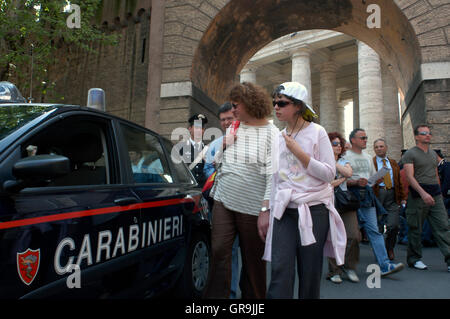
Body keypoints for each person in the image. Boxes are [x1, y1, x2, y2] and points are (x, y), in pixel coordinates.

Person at [262, 82, 346, 299]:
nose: (276, 107)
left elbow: (329, 174)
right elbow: (273, 178)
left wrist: (300, 153)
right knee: (280, 270)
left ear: (298, 106)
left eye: (282, 103)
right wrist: (265, 210)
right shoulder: (277, 136)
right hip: (283, 210)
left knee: (309, 272)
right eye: (274, 103)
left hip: (314, 210)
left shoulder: (317, 132)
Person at [204, 82, 278, 299]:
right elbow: (218, 162)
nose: (232, 109)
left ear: (250, 103)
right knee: (218, 252)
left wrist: (265, 209)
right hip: (222, 200)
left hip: (252, 207)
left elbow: (272, 177)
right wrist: (224, 145)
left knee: (253, 261)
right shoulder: (236, 127)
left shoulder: (272, 133)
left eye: (236, 105)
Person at [344, 128, 405, 276]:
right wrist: (355, 182)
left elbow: (371, 177)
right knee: (351, 234)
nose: (365, 140)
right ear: (353, 140)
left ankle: (385, 265)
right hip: (351, 197)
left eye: (366, 137)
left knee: (374, 231)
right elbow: (341, 179)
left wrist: (375, 179)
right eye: (362, 138)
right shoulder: (345, 156)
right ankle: (344, 266)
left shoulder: (367, 157)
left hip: (367, 197)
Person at [203, 101, 241, 299]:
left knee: (253, 255)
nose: (227, 122)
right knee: (227, 252)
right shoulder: (216, 144)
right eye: (223, 120)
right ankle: (230, 295)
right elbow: (207, 170)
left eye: (230, 119)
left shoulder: (252, 140)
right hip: (224, 204)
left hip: (249, 206)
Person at [402, 125, 450, 272]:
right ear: (417, 137)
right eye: (424, 133)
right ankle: (414, 259)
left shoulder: (432, 154)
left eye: (429, 133)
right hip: (418, 196)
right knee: (416, 228)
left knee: (443, 226)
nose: (427, 136)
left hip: (435, 195)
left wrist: (439, 192)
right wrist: (423, 193)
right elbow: (409, 177)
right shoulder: (410, 154)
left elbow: (435, 174)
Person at [327, 132, 361, 284]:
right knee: (333, 237)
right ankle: (335, 271)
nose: (338, 146)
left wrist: (335, 165)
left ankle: (349, 267)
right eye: (334, 144)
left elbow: (349, 172)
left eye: (340, 144)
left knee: (353, 235)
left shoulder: (344, 160)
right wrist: (342, 178)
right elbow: (327, 184)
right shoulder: (322, 161)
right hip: (329, 201)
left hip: (345, 202)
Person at [372, 138, 407, 260]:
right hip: (378, 194)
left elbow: (399, 182)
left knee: (393, 225)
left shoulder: (393, 163)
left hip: (392, 194)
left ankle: (390, 247)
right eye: (376, 147)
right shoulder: (372, 162)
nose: (379, 149)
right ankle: (381, 252)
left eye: (381, 146)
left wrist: (402, 197)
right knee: (378, 226)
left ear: (386, 148)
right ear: (374, 149)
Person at [179, 113, 208, 187]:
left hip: (203, 190)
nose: (199, 130)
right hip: (188, 190)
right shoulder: (181, 148)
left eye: (201, 128)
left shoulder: (207, 149)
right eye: (196, 127)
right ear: (190, 129)